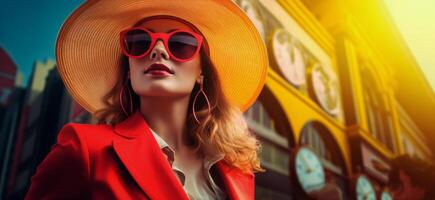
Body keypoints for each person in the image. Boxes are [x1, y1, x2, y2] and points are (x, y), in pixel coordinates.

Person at [24, 0, 269, 199]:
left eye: (180, 44)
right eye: (140, 42)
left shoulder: (236, 170)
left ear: (201, 72)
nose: (158, 50)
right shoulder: (85, 149)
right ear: (129, 70)